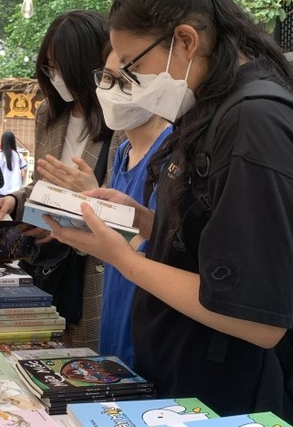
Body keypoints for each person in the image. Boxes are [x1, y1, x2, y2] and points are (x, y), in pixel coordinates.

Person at [42, 0, 293, 421]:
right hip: (179, 386)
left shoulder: (254, 125)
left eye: (132, 66)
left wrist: (123, 257)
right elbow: (216, 246)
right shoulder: (214, 114)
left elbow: (257, 318)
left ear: (186, 42)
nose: (127, 85)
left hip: (221, 400)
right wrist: (143, 221)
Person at [0, 10, 122, 352]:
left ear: (88, 65)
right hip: (49, 262)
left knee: (89, 359)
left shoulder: (120, 120)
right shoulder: (49, 114)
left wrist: (82, 200)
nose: (55, 77)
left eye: (62, 67)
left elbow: (125, 206)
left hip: (95, 268)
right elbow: (45, 183)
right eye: (48, 68)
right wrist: (16, 200)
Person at [93, 48, 172, 368]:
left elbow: (161, 250)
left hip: (146, 330)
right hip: (112, 317)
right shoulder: (122, 151)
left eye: (125, 82)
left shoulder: (171, 153)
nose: (112, 91)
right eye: (107, 79)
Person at [0, 131, 27, 196]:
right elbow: (23, 174)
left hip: (1, 191)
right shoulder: (19, 156)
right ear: (13, 141)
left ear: (3, 141)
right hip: (15, 193)